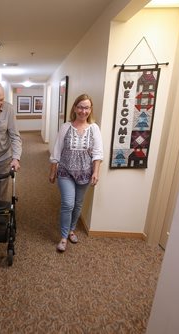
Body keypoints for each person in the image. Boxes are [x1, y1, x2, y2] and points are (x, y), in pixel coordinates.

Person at [49, 94, 103, 252]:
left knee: (78, 204)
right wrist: (53, 171)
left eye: (86, 107)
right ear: (74, 108)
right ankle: (64, 236)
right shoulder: (66, 126)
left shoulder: (94, 128)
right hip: (65, 171)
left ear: (90, 109)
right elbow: (57, 150)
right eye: (80, 107)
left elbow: (98, 153)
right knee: (68, 203)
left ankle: (72, 229)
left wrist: (96, 172)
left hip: (85, 173)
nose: (83, 111)